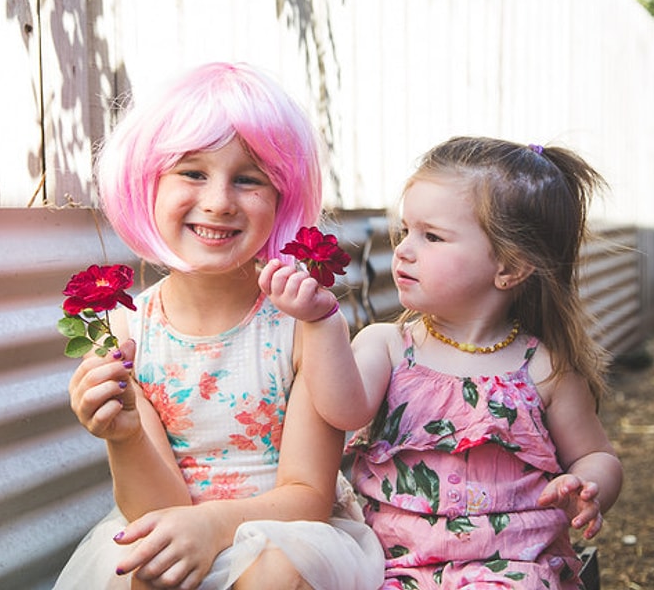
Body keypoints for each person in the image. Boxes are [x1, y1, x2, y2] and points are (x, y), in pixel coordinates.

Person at [54, 62, 385, 590]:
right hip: (177, 525)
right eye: (192, 172)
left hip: (287, 534)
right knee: (144, 570)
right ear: (148, 184)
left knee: (279, 575)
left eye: (248, 179)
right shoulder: (126, 329)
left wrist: (212, 525)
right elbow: (156, 510)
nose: (218, 201)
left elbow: (307, 494)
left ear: (281, 199)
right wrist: (124, 434)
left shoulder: (300, 324)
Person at [260, 136, 623, 588]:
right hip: (395, 564)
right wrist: (321, 322)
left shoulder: (543, 368)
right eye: (406, 230)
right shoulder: (389, 346)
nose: (404, 250)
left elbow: (594, 454)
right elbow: (342, 409)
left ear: (509, 267)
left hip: (510, 566)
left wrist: (588, 488)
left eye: (431, 236)